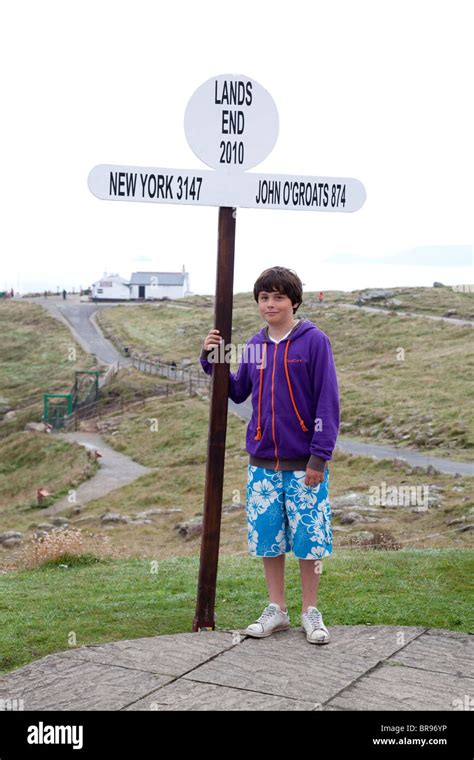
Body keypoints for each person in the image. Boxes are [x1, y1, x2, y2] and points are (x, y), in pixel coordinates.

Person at [200, 266, 340, 645]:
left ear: (294, 301)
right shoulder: (255, 345)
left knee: (309, 541)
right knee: (269, 539)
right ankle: (276, 609)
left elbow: (327, 402)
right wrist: (211, 356)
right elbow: (236, 389)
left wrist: (319, 457)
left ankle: (311, 611)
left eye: (279, 297)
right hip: (262, 463)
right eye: (264, 297)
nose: (271, 304)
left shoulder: (314, 342)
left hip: (304, 465)